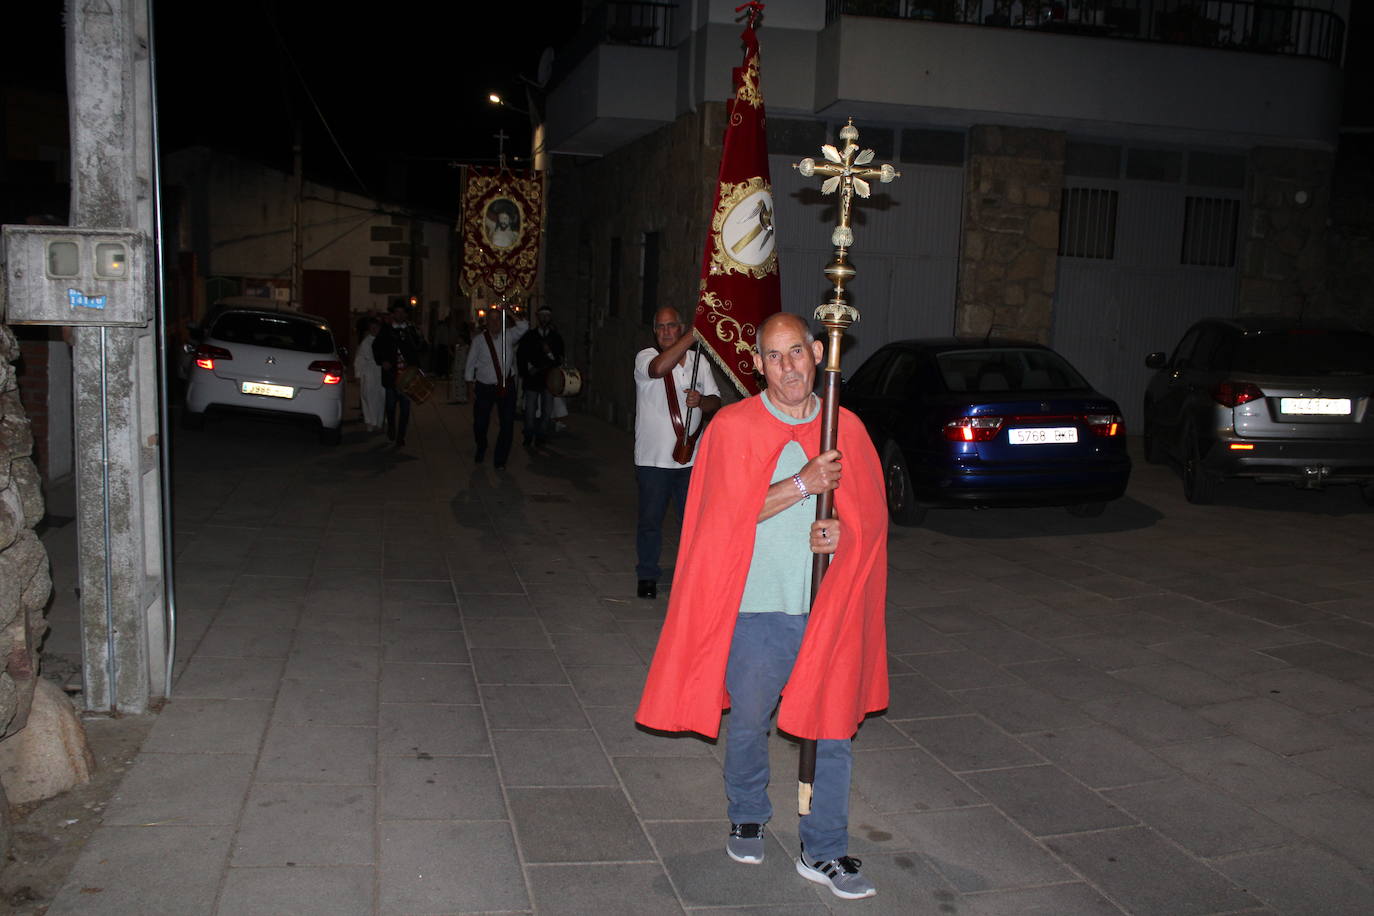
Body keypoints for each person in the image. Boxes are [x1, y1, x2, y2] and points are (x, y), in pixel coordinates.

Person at [635, 312, 889, 901]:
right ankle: (748, 811)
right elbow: (720, 519)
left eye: (796, 352)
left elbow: (871, 523)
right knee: (749, 722)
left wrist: (843, 537)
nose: (788, 367)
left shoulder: (843, 428)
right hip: (756, 609)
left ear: (818, 353)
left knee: (833, 732)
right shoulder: (732, 427)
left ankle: (823, 849)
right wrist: (802, 485)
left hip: (826, 609)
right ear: (757, 365)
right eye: (773, 357)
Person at [633, 306, 721, 600]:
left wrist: (701, 401)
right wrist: (694, 336)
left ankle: (690, 577)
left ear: (680, 327)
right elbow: (659, 370)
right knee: (650, 522)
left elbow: (715, 402)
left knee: (692, 524)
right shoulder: (646, 357)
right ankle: (647, 575)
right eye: (661, 327)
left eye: (672, 326)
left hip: (689, 459)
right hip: (653, 460)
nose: (667, 332)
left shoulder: (699, 363)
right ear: (654, 332)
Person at [464, 309, 518, 469]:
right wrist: (469, 388)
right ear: (486, 322)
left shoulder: (509, 336)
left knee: (507, 424)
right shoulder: (479, 341)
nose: (495, 323)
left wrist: (509, 312)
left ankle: (500, 459)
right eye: (492, 320)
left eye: (498, 320)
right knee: (480, 423)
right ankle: (481, 446)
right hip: (484, 388)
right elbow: (470, 365)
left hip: (506, 386)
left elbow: (524, 326)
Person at [372, 300, 423, 447]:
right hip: (391, 376)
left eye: (402, 312)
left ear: (406, 314)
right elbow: (376, 347)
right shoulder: (386, 330)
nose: (400, 315)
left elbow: (419, 348)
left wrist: (418, 337)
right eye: (397, 312)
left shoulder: (411, 330)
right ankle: (392, 427)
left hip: (407, 377)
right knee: (390, 406)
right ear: (393, 314)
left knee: (406, 409)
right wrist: (383, 361)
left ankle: (401, 435)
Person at [516, 306, 565, 448]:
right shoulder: (529, 336)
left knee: (547, 409)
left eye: (547, 316)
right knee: (530, 409)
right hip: (532, 379)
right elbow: (521, 356)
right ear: (538, 317)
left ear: (550, 318)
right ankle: (529, 434)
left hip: (549, 379)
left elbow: (560, 358)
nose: (544, 319)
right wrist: (526, 371)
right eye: (542, 316)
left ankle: (542, 435)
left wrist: (550, 353)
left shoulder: (556, 338)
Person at [353, 316, 385, 432]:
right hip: (369, 372)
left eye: (376, 328)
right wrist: (358, 375)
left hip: (381, 372)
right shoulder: (365, 343)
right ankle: (370, 421)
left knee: (381, 397)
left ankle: (380, 420)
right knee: (368, 397)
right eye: (372, 328)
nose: (374, 330)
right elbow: (359, 359)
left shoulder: (383, 340)